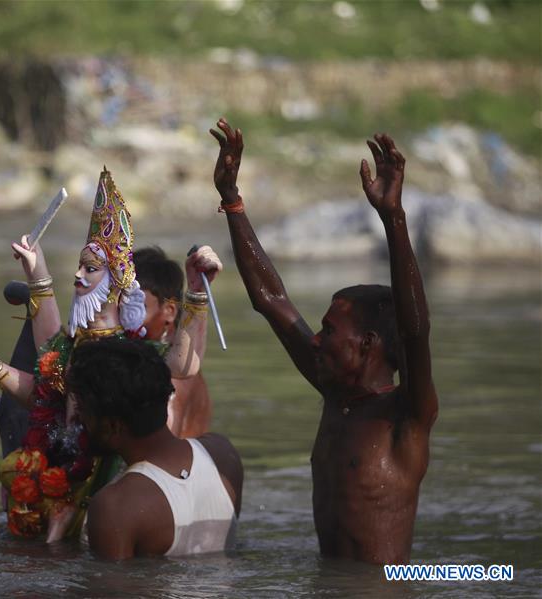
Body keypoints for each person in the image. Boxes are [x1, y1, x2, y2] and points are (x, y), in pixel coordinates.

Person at [210, 118, 437, 565]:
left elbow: (415, 333)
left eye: (330, 331)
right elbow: (271, 300)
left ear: (368, 344)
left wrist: (393, 219)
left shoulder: (407, 416)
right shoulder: (335, 391)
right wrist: (232, 200)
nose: (315, 341)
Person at [0, 168, 221, 541]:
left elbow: (184, 364)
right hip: (55, 483)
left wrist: (196, 294)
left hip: (112, 499)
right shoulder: (72, 346)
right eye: (80, 266)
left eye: (90, 269)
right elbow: (45, 394)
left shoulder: (133, 354)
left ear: (115, 281)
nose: (78, 276)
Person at [66, 337, 242, 559]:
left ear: (113, 426)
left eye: (81, 410)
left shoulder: (116, 505)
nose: (76, 420)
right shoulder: (222, 454)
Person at [135, 246, 213, 438]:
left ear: (169, 311)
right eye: (118, 304)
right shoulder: (142, 357)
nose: (122, 317)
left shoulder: (173, 375)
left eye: (136, 307)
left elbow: (161, 452)